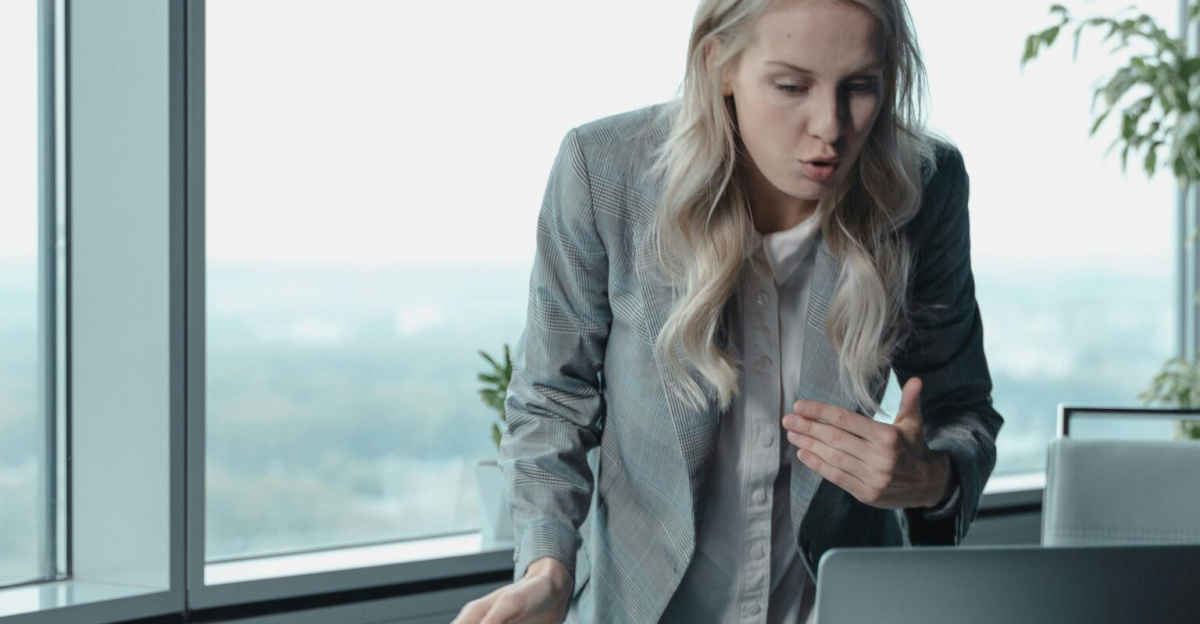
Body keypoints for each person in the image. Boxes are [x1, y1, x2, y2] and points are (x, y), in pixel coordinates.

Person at [452, 0, 1003, 622]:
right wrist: (546, 568)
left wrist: (930, 480)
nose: (831, 126)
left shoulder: (924, 186)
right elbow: (553, 399)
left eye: (860, 86)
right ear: (719, 64)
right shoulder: (602, 171)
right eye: (792, 86)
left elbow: (962, 411)